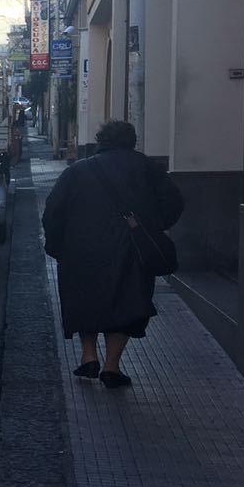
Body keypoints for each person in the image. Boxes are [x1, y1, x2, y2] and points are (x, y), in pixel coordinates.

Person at [41, 119, 183, 389]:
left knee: (85, 300)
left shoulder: (77, 171)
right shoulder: (147, 168)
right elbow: (173, 202)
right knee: (127, 302)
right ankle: (112, 366)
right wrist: (151, 227)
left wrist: (57, 245)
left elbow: (53, 210)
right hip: (131, 248)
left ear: (101, 141)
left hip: (80, 249)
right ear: (132, 141)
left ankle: (88, 356)